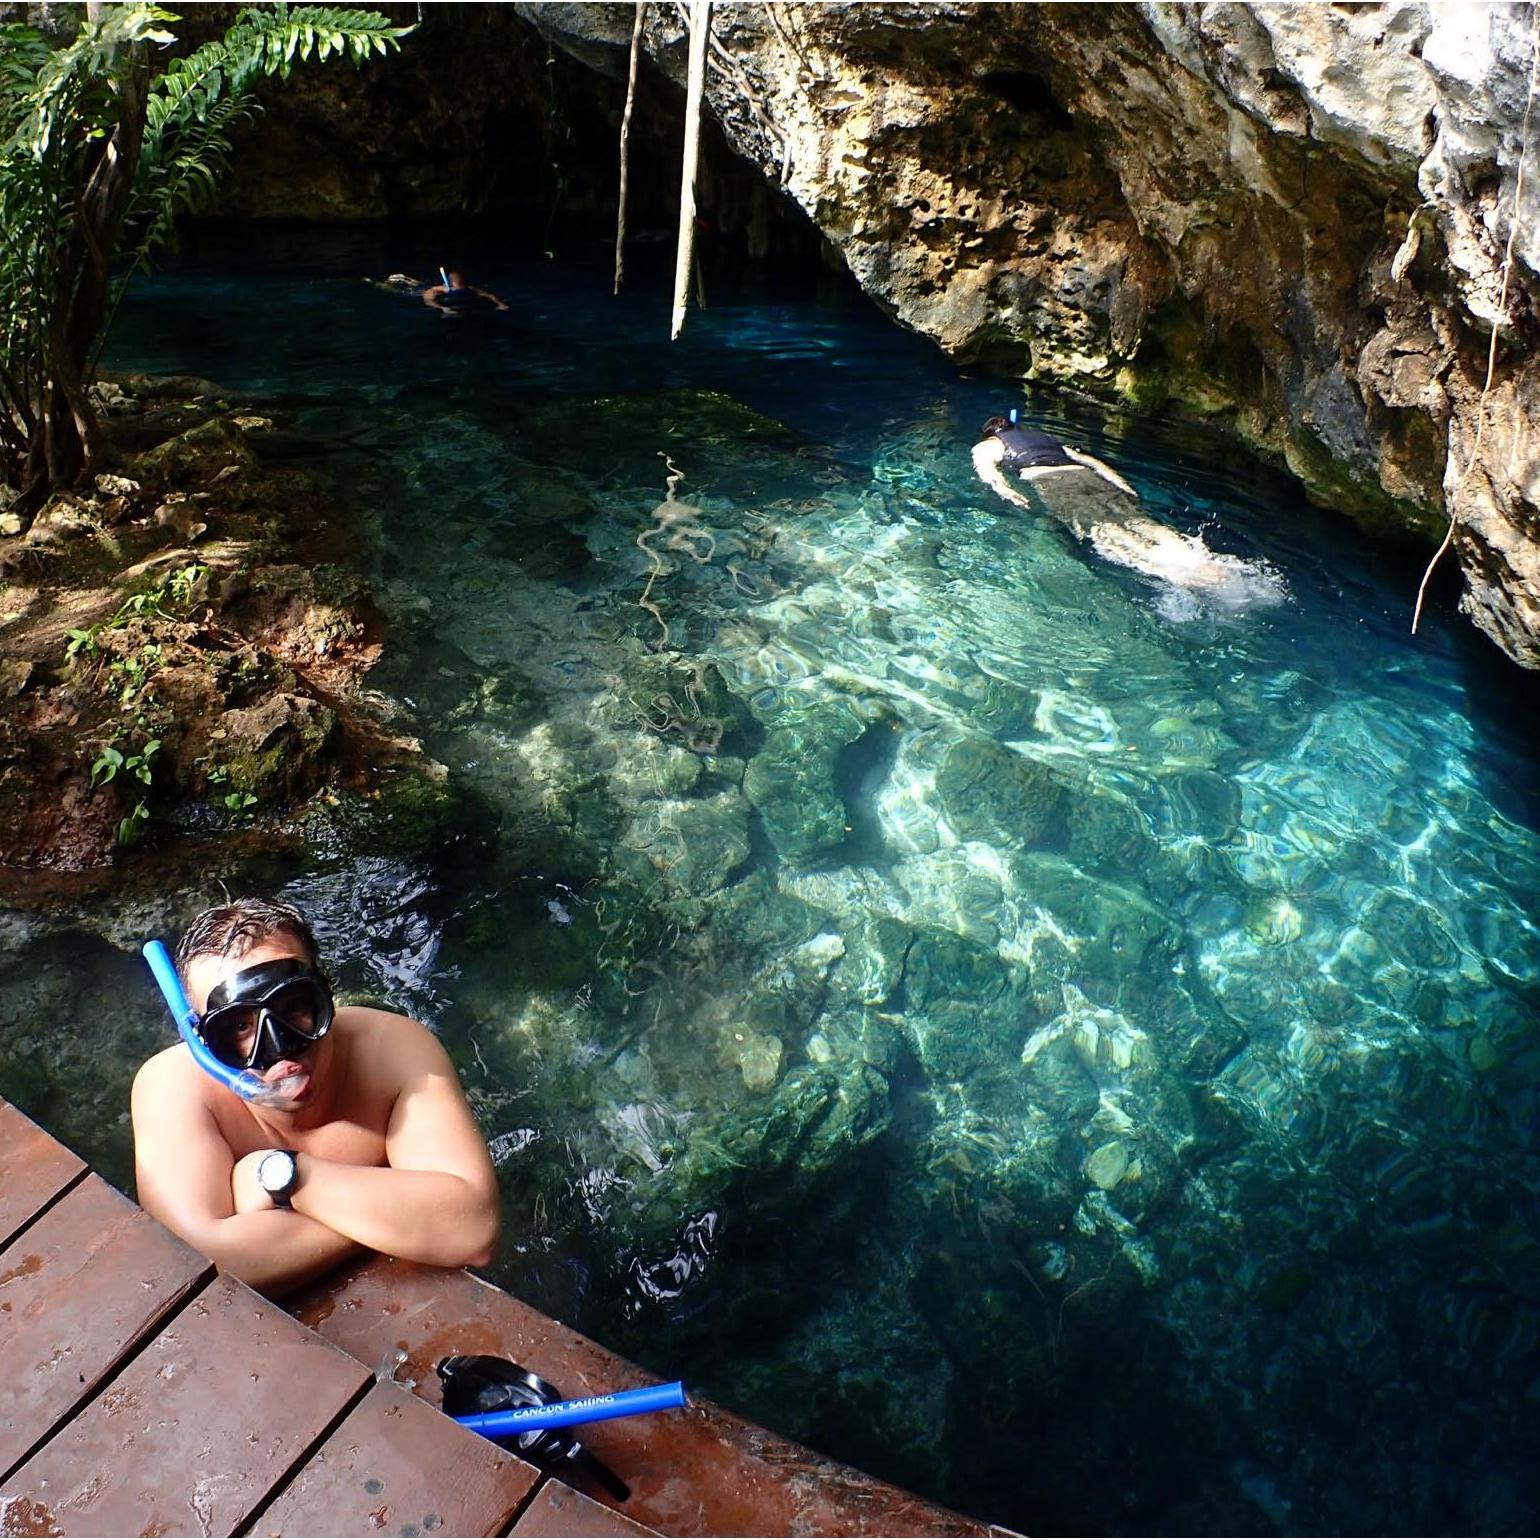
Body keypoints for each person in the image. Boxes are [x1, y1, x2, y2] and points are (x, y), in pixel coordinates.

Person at [131, 897, 501, 1297]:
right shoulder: (172, 1087)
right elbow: (199, 1269)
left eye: (294, 1006)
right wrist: (402, 1217)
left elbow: (473, 1229)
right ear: (203, 1042)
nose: (280, 1047)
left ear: (326, 994)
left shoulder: (395, 1052)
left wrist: (281, 1176)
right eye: (238, 1026)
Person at [971, 414, 1285, 607]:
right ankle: (1202, 560)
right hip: (1086, 476)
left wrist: (1007, 492)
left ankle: (1185, 576)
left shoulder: (989, 444)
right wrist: (1123, 486)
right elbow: (1092, 462)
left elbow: (987, 469)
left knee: (1103, 531)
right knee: (1139, 521)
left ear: (991, 433)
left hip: (1051, 483)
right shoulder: (1048, 438)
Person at [421, 265, 509, 316]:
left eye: (462, 285)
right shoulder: (438, 291)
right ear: (451, 285)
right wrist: (442, 308)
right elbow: (428, 300)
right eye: (458, 286)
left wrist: (501, 304)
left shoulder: (469, 288)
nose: (461, 288)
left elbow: (488, 294)